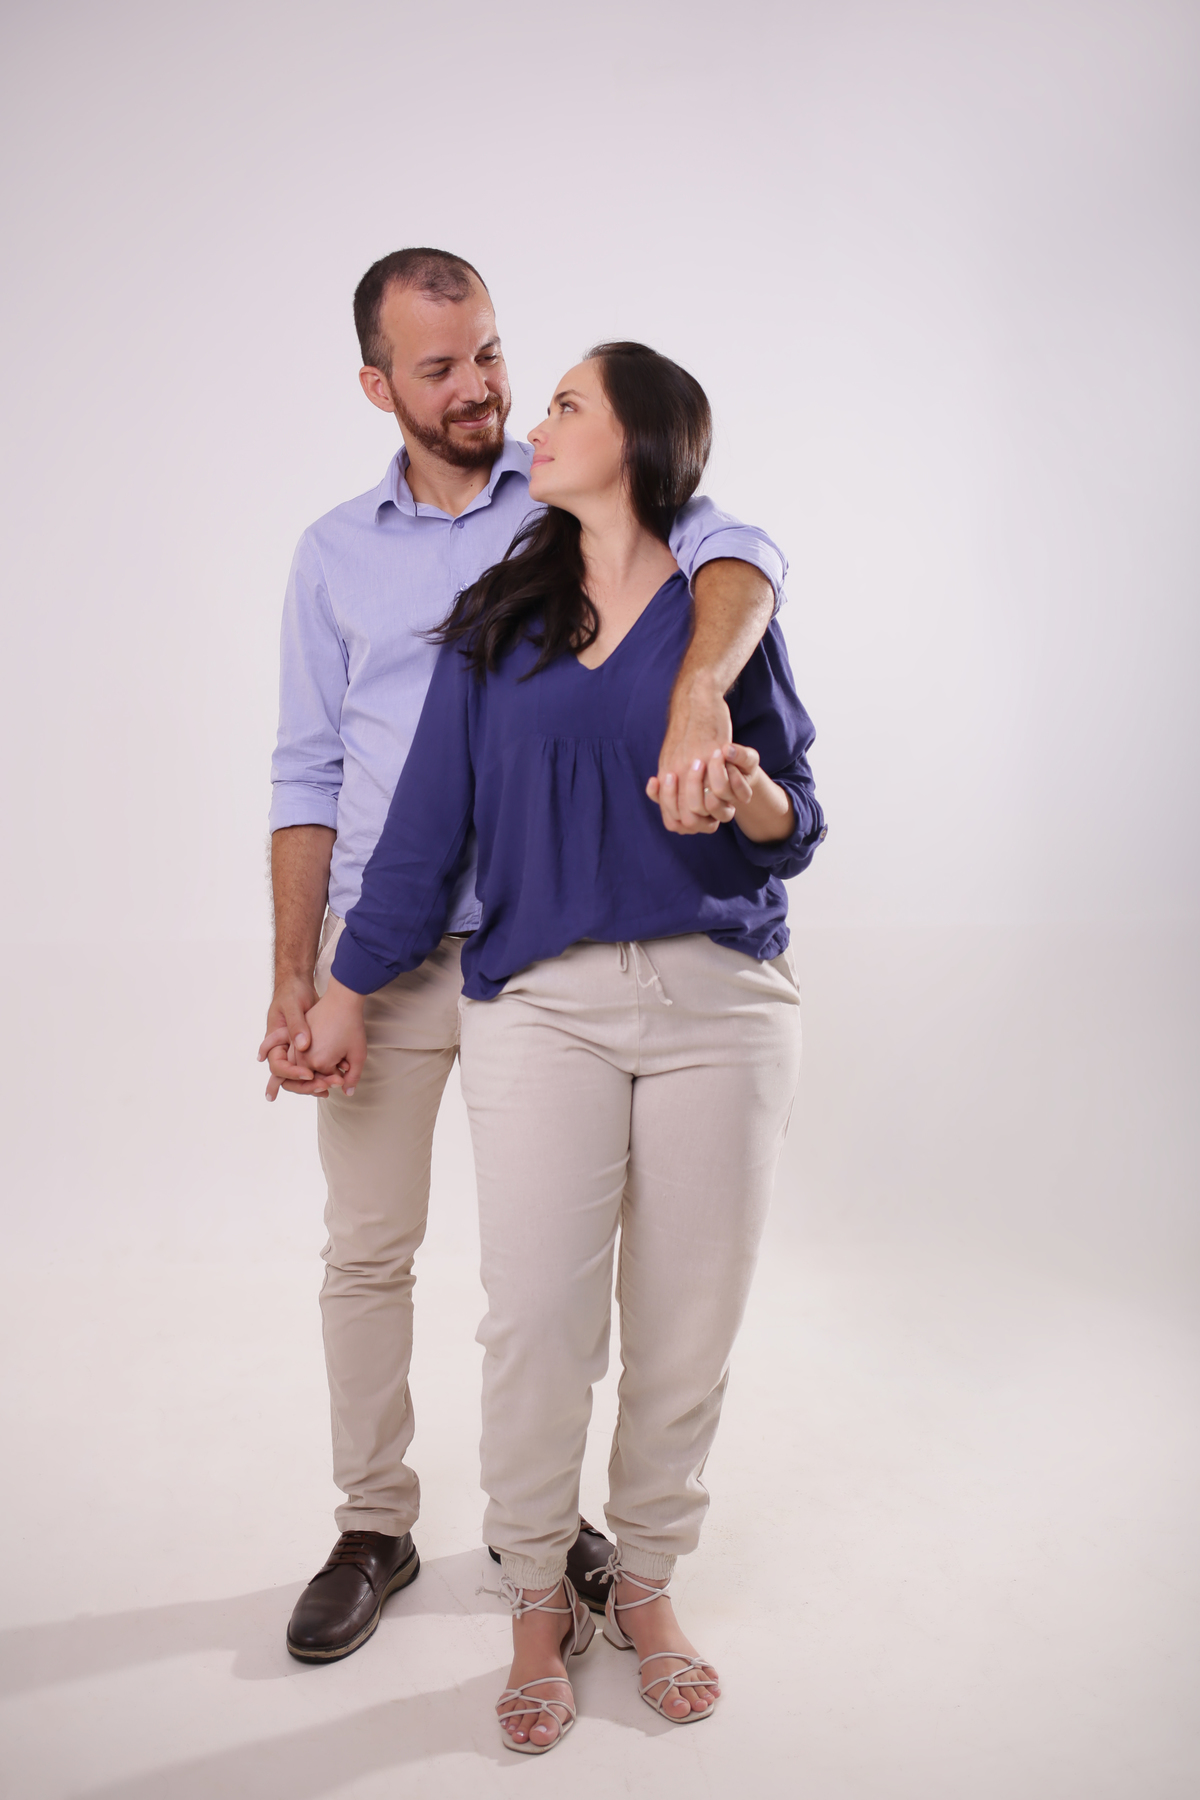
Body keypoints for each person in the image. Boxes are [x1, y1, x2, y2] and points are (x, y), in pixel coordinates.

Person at [260, 249, 793, 1665]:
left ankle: (561, 1544)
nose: (482, 390)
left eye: (493, 356)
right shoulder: (340, 556)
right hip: (389, 941)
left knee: (563, 1290)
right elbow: (308, 772)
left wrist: (702, 698)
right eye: (439, 367)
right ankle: (379, 1527)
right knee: (373, 1250)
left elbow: (748, 554)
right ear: (377, 384)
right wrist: (309, 978)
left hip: (542, 945)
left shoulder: (584, 501)